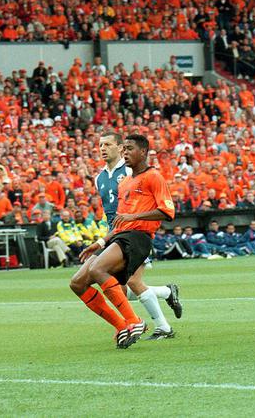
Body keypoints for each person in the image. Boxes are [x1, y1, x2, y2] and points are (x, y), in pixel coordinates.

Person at [69, 134, 176, 349]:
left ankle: (140, 322)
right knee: (78, 282)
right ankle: (123, 326)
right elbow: (119, 221)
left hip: (138, 237)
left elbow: (168, 211)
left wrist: (134, 217)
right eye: (100, 145)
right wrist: (99, 243)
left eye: (128, 148)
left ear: (143, 151)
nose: (125, 153)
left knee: (118, 277)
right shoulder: (121, 181)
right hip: (117, 236)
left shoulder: (152, 176)